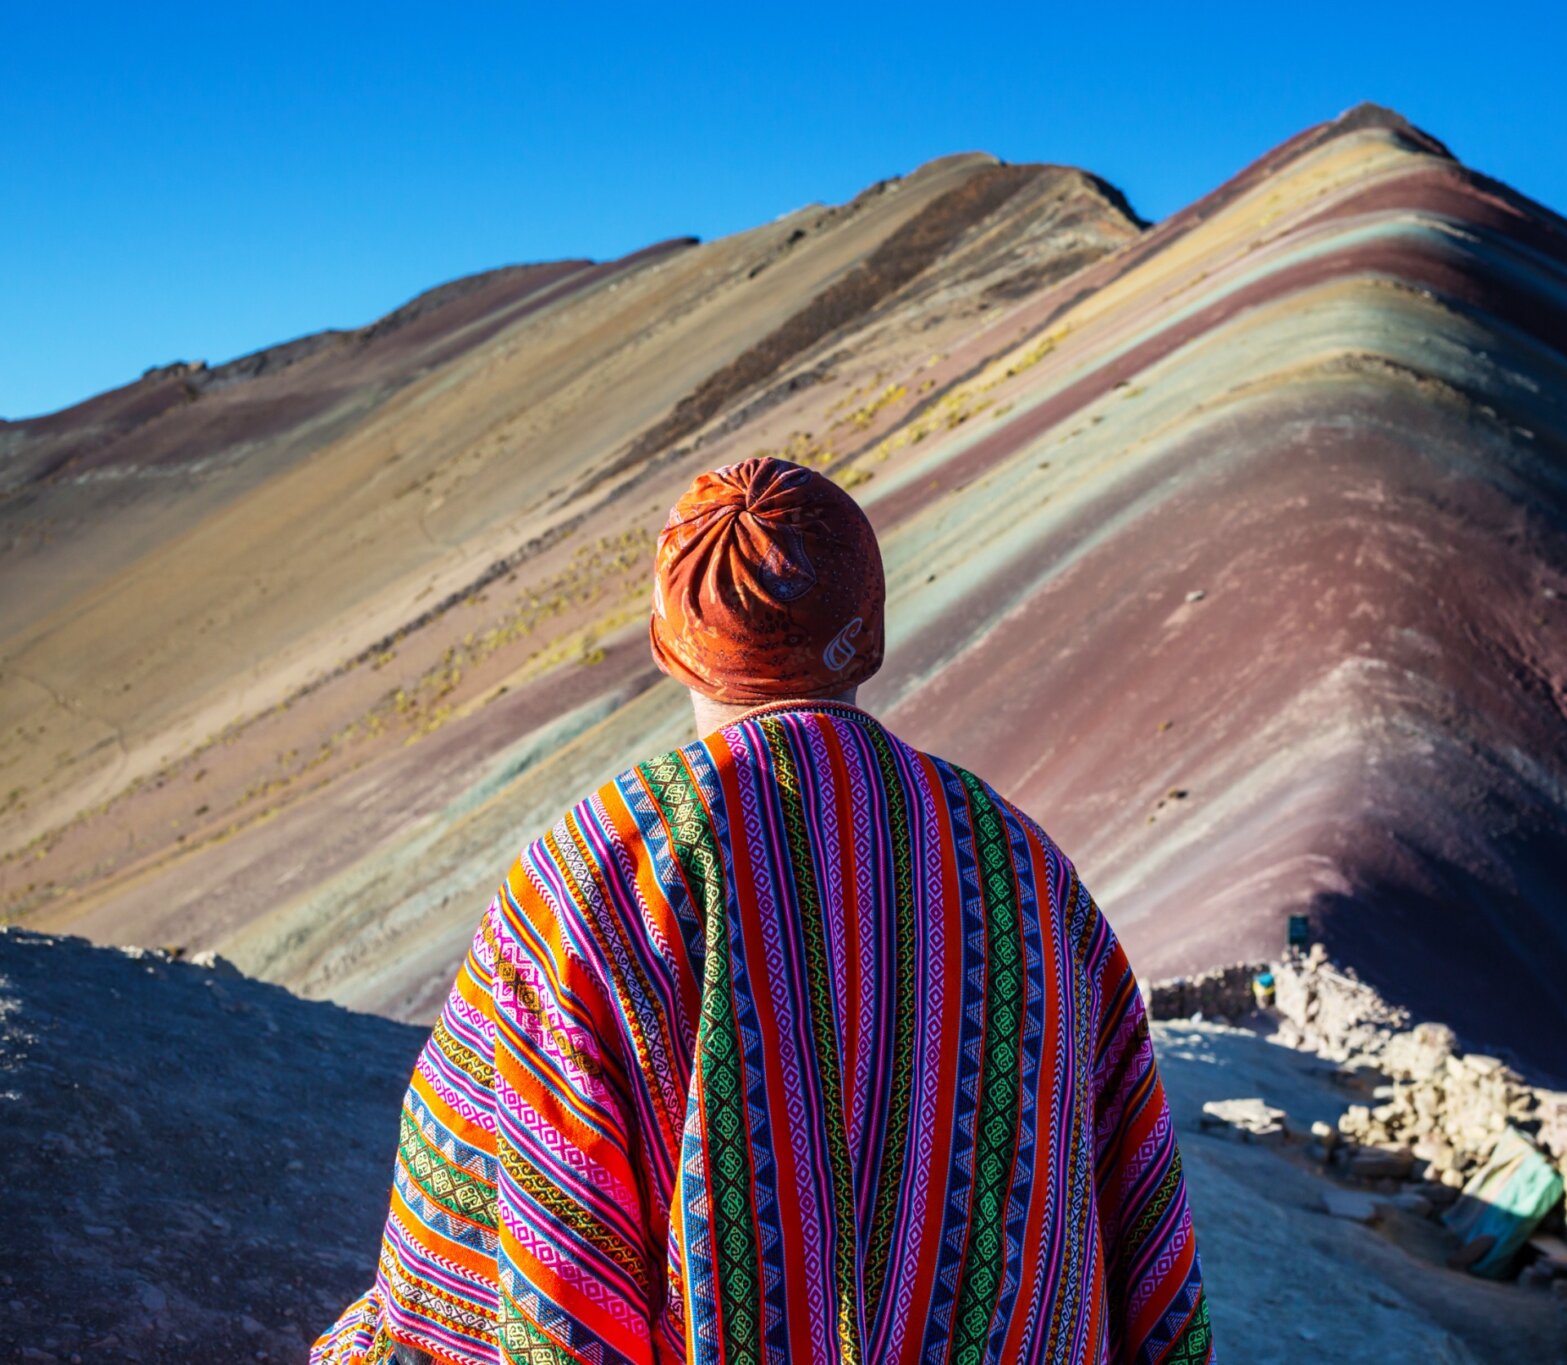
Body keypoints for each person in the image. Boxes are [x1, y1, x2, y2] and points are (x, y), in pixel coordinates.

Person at [312, 457, 1211, 1365]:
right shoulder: (1026, 868)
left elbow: (492, 1226)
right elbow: (1135, 1197)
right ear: (868, 635)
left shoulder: (597, 869)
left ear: (670, 645)